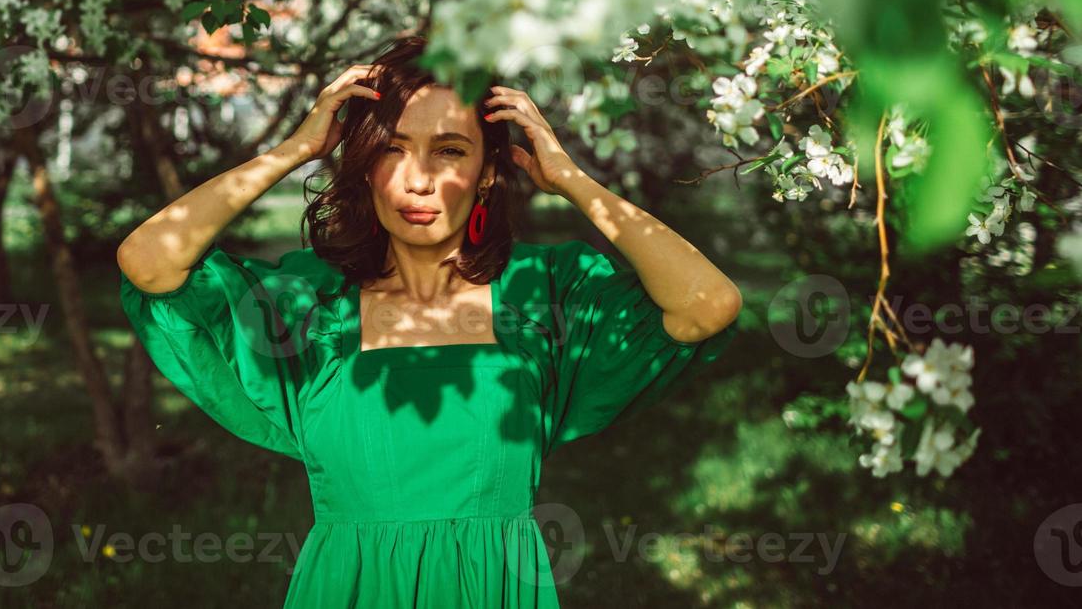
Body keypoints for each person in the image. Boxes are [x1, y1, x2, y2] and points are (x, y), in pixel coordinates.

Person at [116, 34, 742, 607]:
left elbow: (706, 305)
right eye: (392, 150)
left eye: (449, 151)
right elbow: (148, 264)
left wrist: (572, 179)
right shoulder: (309, 306)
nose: (418, 180)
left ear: (489, 171)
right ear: (363, 166)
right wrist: (294, 151)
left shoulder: (544, 294)